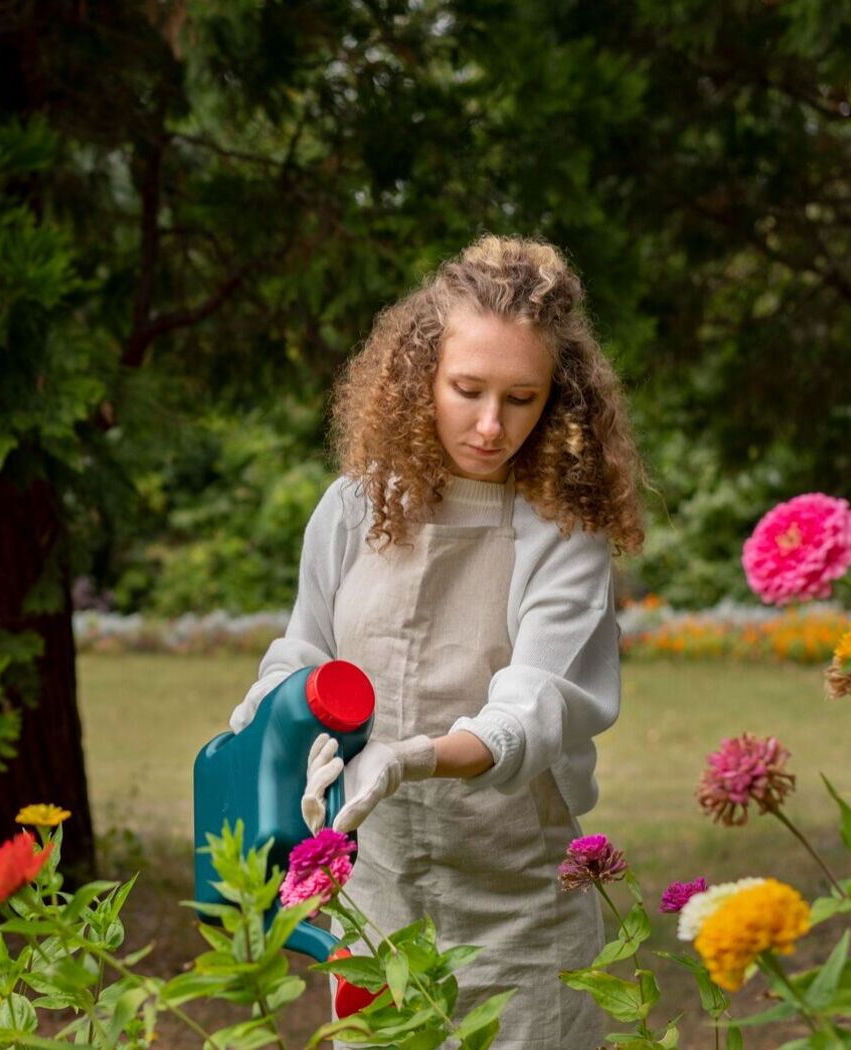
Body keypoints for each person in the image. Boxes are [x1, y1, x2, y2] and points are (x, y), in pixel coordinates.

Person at [230, 235, 647, 1048]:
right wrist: (275, 718)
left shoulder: (562, 531)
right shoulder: (356, 506)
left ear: (557, 398)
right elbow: (304, 651)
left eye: (521, 398)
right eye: (467, 390)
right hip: (373, 890)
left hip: (518, 909)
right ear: (420, 373)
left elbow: (529, 710)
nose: (491, 426)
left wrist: (411, 755)